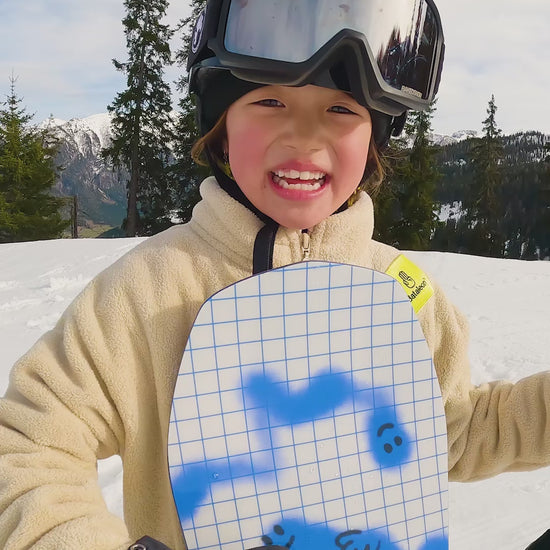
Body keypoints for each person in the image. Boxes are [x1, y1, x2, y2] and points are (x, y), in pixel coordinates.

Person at [1, 0, 549, 549]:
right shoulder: (146, 290)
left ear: (375, 140)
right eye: (269, 101)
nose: (305, 137)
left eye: (341, 110)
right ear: (219, 130)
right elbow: (31, 442)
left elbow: (454, 431)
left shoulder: (401, 290)